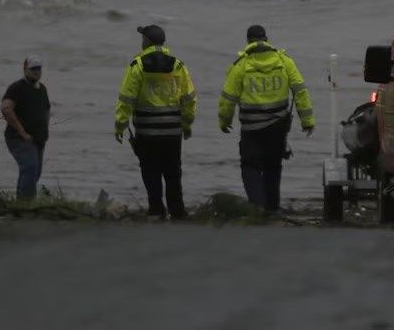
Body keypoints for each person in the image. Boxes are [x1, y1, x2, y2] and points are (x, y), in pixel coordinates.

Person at [219, 25, 314, 214]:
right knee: (273, 167)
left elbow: (228, 99)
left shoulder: (240, 66)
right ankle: (272, 209)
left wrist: (225, 121)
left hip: (251, 128)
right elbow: (300, 90)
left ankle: (257, 205)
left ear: (248, 41)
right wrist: (307, 120)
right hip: (277, 126)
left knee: (250, 166)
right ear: (267, 39)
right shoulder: (284, 62)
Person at [115, 25, 196, 219]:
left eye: (143, 38)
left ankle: (156, 209)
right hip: (172, 130)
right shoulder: (178, 65)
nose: (141, 41)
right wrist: (186, 125)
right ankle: (177, 211)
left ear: (148, 42)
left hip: (147, 131)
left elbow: (127, 99)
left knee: (151, 171)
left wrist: (120, 125)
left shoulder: (138, 65)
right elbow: (189, 98)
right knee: (173, 172)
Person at [1, 55, 52, 201]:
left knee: (34, 173)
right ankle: (26, 204)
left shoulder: (42, 89)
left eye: (38, 68)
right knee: (29, 166)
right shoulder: (17, 88)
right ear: (25, 69)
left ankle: (21, 202)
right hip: (18, 138)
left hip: (38, 139)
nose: (36, 72)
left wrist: (45, 130)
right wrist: (22, 132)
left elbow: (47, 110)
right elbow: (6, 109)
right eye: (33, 69)